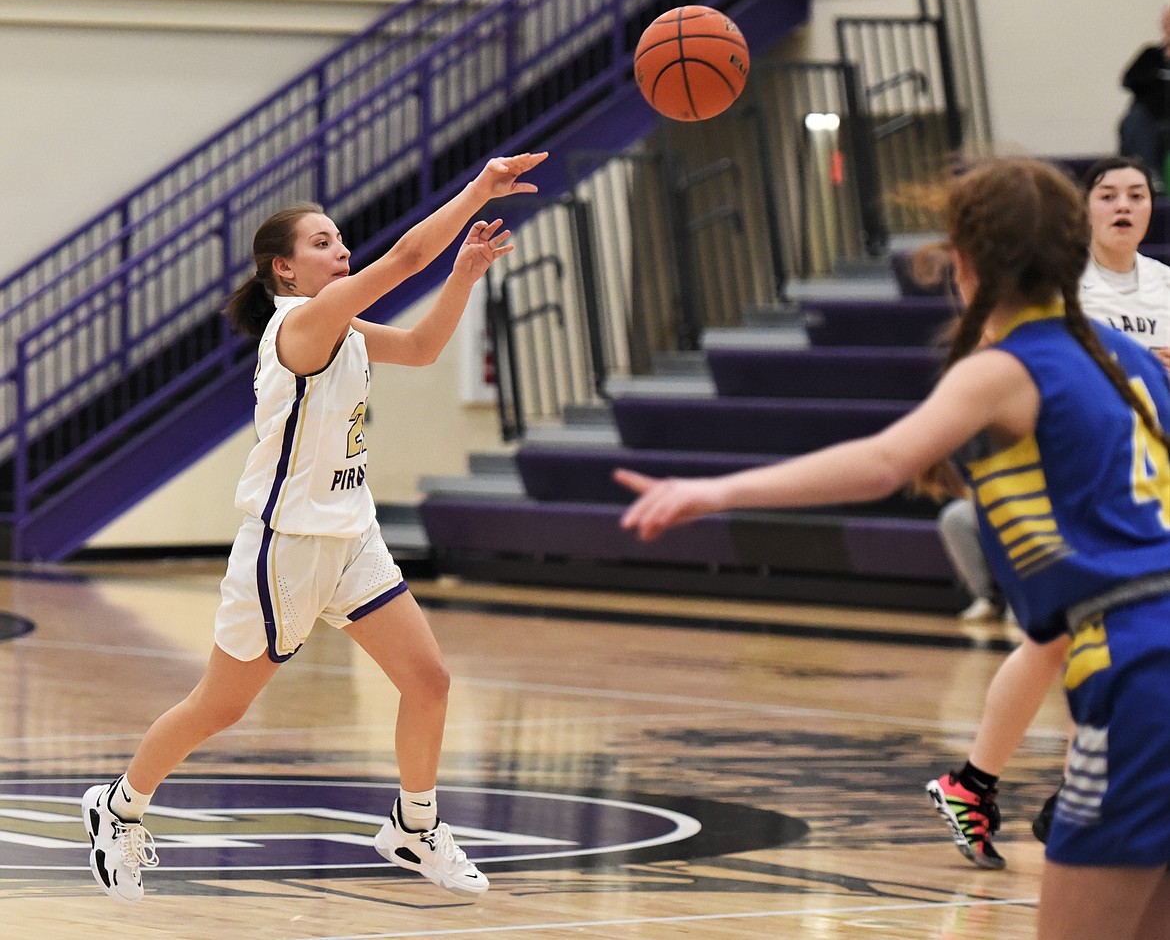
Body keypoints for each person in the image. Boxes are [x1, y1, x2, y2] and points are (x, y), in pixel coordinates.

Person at [615, 158, 1170, 940]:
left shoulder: (1015, 364)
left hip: (1142, 673)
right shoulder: (1135, 362)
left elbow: (883, 461)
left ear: (966, 263)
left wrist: (715, 492)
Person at [79, 150, 548, 904]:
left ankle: (414, 824)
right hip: (288, 545)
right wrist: (478, 190)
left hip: (352, 533)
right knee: (221, 705)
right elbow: (405, 255)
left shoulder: (344, 325)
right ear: (284, 271)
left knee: (427, 679)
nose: (343, 249)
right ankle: (118, 804)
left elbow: (424, 349)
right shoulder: (301, 324)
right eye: (323, 242)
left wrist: (463, 275)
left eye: (341, 239)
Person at [927, 155, 1170, 870]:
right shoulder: (1063, 290)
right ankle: (1029, 787)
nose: (1125, 205)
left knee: (1083, 640)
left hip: (1148, 479)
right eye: (1108, 194)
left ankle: (1006, 786)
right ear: (1081, 216)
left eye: (1138, 194)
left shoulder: (1165, 285)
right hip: (1077, 481)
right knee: (1073, 636)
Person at [1118, 6, 1170, 190]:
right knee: (1135, 121)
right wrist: (1156, 77)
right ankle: (1147, 175)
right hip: (1151, 115)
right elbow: (1129, 80)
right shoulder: (1150, 54)